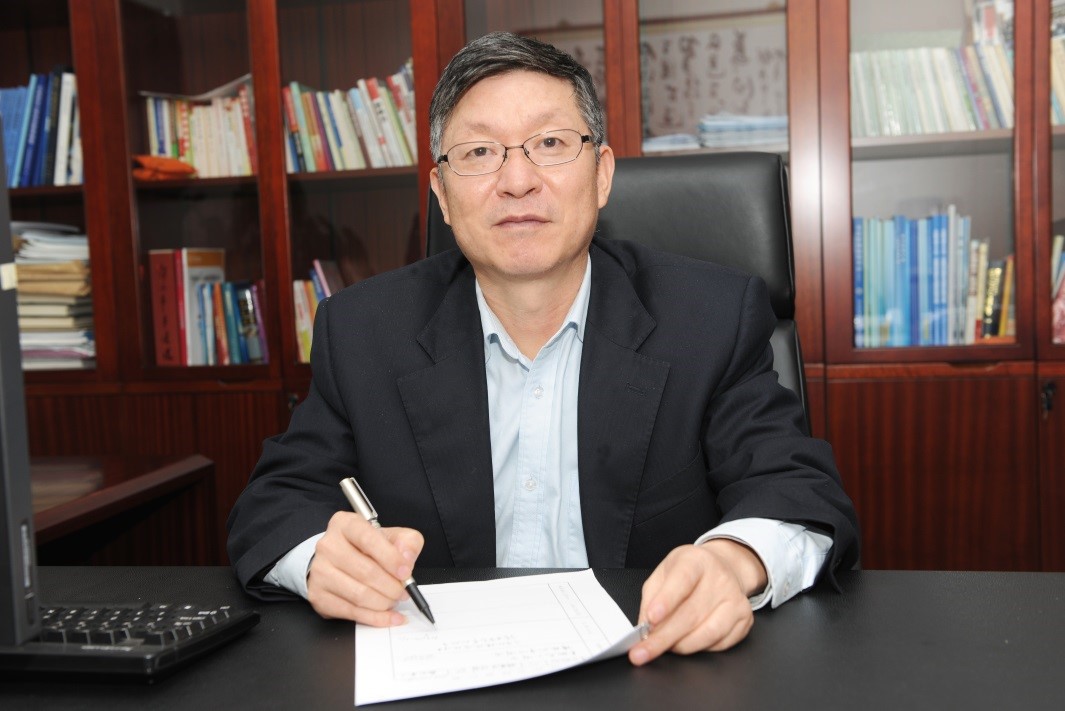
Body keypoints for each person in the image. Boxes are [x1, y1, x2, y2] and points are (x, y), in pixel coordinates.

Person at [227, 31, 860, 666]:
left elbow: (796, 490)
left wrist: (733, 561)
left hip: (652, 671)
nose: (517, 180)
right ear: (442, 194)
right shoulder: (364, 331)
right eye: (479, 152)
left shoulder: (710, 318)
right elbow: (275, 501)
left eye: (550, 144)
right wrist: (321, 558)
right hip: (445, 673)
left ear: (602, 174)